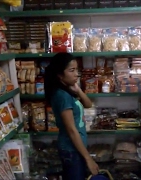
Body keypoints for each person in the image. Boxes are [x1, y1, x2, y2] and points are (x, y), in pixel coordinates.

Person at [44, 52, 99, 180]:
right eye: (71, 70)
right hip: (71, 150)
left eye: (77, 70)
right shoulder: (62, 96)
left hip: (76, 149)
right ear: (59, 75)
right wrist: (88, 159)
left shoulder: (68, 91)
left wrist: (78, 90)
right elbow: (71, 131)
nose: (76, 74)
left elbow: (88, 104)